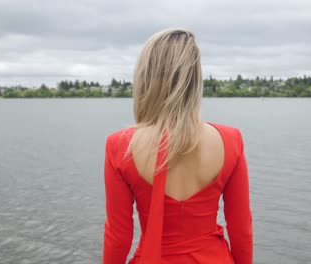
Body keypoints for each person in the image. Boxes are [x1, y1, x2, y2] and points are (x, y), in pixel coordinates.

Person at [102, 28, 253, 264]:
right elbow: (241, 229)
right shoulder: (230, 140)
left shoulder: (120, 146)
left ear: (145, 78)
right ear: (195, 80)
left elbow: (118, 236)